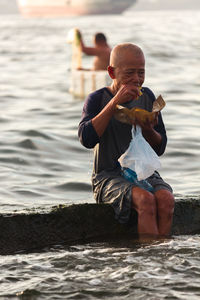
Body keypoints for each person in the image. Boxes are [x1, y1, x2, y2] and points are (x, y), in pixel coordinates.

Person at [78, 43, 175, 239]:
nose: (136, 79)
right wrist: (114, 103)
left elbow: (160, 147)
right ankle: (149, 256)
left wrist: (148, 129)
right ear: (112, 72)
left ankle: (161, 256)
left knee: (166, 199)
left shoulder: (147, 97)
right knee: (146, 200)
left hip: (143, 171)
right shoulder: (97, 99)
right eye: (130, 73)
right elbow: (86, 139)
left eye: (141, 73)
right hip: (107, 176)